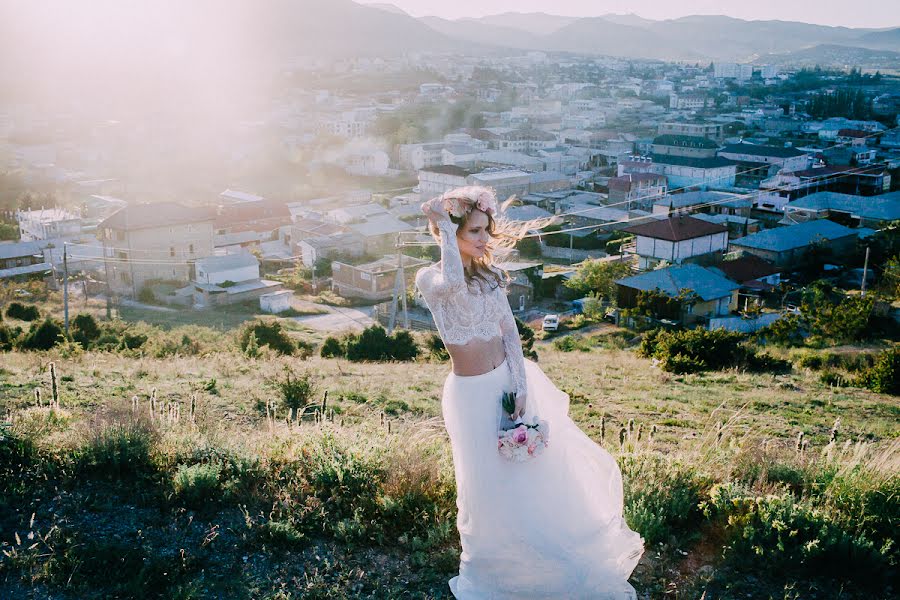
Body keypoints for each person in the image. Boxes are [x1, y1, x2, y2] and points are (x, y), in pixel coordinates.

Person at [415, 186, 644, 600]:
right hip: (468, 396)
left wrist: (520, 387)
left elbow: (510, 335)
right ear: (449, 233)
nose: (484, 240)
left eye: (486, 230)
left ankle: (542, 562)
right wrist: (447, 231)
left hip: (506, 385)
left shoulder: (491, 278)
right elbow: (452, 281)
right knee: (483, 485)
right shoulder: (430, 279)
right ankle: (494, 575)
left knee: (525, 478)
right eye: (474, 232)